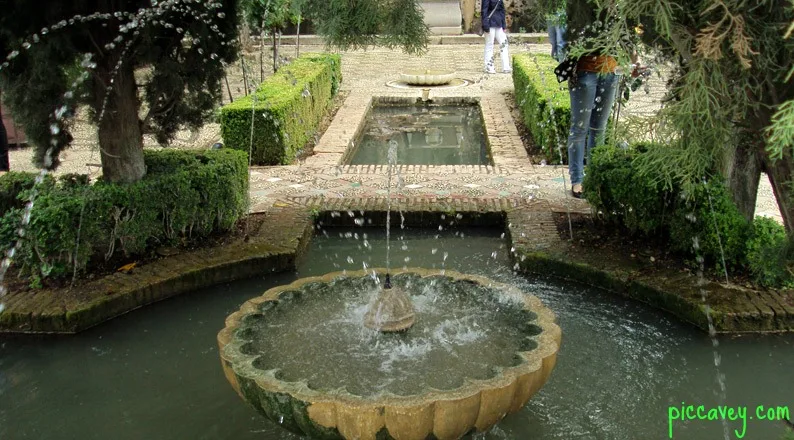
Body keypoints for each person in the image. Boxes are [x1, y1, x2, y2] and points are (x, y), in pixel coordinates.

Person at [564, 0, 638, 198]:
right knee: (579, 128)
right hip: (585, 71)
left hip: (610, 71)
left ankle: (594, 177)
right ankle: (577, 180)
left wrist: (634, 61)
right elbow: (569, 31)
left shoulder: (618, 6)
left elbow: (626, 34)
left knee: (599, 127)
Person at [482, 0, 511, 74]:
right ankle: (489, 67)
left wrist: (503, 25)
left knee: (504, 44)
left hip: (499, 24)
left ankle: (506, 67)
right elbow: (484, 11)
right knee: (489, 45)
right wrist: (485, 25)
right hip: (489, 23)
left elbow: (502, 11)